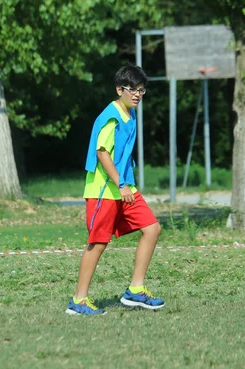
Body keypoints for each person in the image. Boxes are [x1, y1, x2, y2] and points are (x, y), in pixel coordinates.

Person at [66, 64, 165, 316]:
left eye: (141, 90)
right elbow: (102, 153)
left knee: (152, 228)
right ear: (119, 89)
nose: (137, 94)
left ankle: (135, 290)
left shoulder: (129, 114)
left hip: (124, 188)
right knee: (98, 243)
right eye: (132, 89)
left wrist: (125, 184)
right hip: (104, 190)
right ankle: (78, 301)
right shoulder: (111, 116)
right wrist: (120, 184)